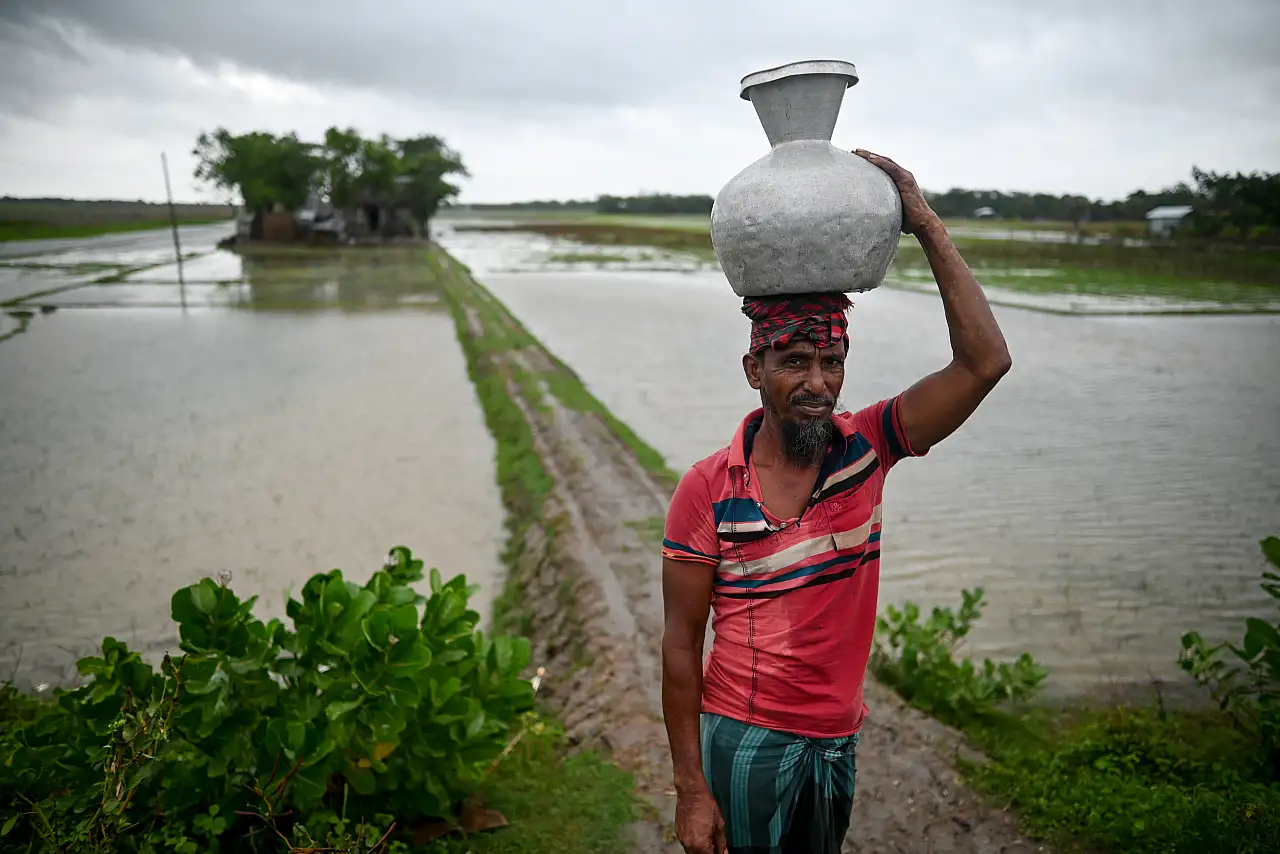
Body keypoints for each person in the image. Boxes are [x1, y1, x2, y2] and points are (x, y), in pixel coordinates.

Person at [660, 150, 1012, 854]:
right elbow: (678, 644)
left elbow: (985, 363)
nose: (818, 382)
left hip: (836, 741)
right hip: (746, 738)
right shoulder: (708, 488)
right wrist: (692, 789)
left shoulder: (869, 448)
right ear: (754, 370)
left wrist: (926, 224)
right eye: (794, 362)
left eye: (832, 361)